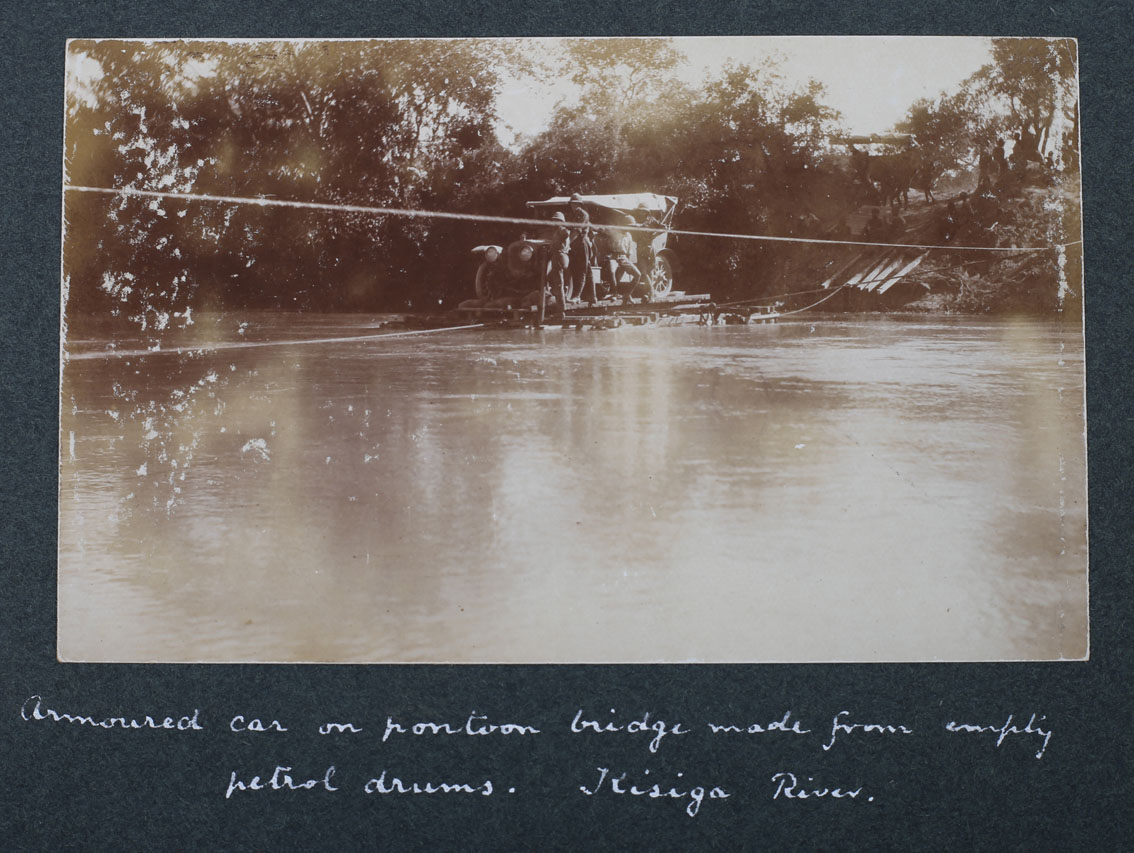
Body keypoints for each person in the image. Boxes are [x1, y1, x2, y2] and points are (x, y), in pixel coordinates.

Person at [599, 213, 642, 304]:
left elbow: (629, 252)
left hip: (623, 257)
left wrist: (627, 265)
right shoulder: (614, 231)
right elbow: (602, 229)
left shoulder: (629, 236)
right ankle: (615, 293)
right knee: (611, 270)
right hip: (613, 256)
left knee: (638, 274)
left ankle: (627, 294)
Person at [567, 193, 595, 303]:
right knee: (586, 271)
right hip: (575, 245)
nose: (573, 206)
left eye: (576, 204)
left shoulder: (583, 215)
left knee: (581, 271)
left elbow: (576, 231)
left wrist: (567, 244)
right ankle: (592, 296)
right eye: (572, 204)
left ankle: (577, 296)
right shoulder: (572, 215)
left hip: (582, 244)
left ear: (580, 204)